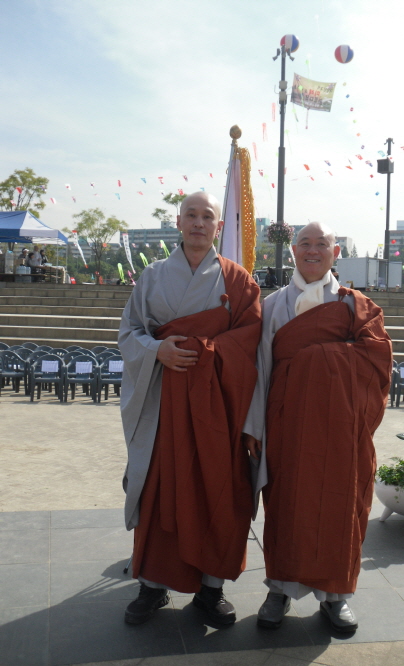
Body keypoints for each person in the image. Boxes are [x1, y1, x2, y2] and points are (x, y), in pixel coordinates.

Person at [119, 191, 262, 626]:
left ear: (218, 226)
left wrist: (208, 351)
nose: (199, 223)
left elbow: (250, 342)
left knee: (216, 489)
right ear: (179, 222)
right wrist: (157, 350)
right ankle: (152, 585)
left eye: (207, 217)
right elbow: (129, 334)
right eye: (191, 215)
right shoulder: (152, 276)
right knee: (159, 486)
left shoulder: (238, 281)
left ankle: (210, 590)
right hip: (163, 403)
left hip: (216, 409)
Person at [242, 222, 392, 633]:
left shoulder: (355, 306)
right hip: (287, 425)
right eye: (304, 243)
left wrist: (316, 359)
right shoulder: (272, 305)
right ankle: (279, 590)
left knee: (340, 508)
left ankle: (335, 595)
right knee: (286, 506)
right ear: (293, 250)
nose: (312, 250)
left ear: (335, 252)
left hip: (340, 429)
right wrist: (254, 426)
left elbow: (378, 363)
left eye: (321, 244)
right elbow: (259, 369)